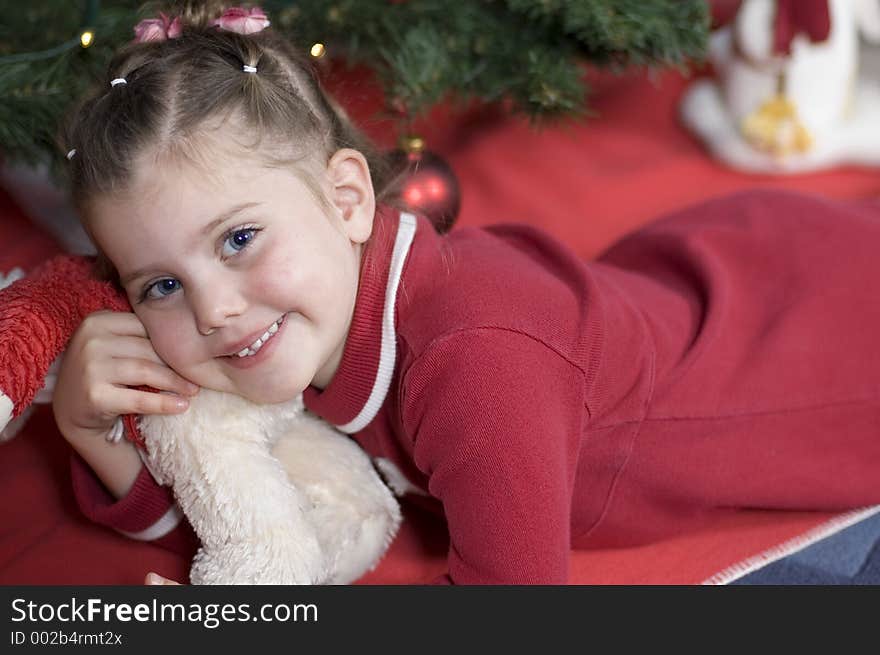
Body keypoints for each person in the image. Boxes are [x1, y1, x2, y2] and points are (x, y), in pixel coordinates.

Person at [53, 1, 880, 585]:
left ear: (346, 198)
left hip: (825, 348)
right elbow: (241, 512)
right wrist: (98, 433)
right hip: (717, 275)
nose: (213, 309)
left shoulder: (474, 366)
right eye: (160, 283)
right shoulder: (302, 307)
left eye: (238, 239)